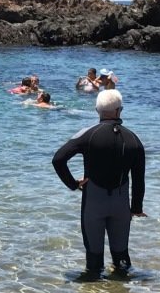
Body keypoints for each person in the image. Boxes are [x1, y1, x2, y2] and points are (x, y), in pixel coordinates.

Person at [52, 90, 146, 279]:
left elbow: (58, 159)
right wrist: (136, 207)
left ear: (97, 110)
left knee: (94, 262)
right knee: (122, 260)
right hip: (121, 205)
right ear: (120, 110)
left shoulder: (87, 134)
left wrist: (73, 184)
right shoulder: (134, 139)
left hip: (94, 203)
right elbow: (138, 177)